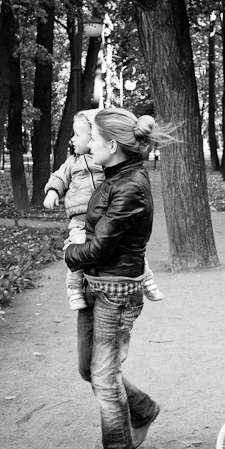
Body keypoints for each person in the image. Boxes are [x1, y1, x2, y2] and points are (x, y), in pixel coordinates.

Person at [64, 108, 175, 449]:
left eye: (93, 139)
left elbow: (99, 249)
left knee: (103, 376)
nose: (89, 144)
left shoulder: (129, 187)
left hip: (116, 291)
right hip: (96, 286)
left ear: (112, 145)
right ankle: (142, 411)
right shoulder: (113, 177)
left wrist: (68, 253)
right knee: (89, 370)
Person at [44, 109, 164, 311]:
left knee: (133, 250)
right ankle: (74, 290)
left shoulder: (107, 166)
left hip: (101, 225)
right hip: (79, 220)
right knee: (79, 248)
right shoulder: (72, 162)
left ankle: (148, 281)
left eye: (80, 135)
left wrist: (69, 254)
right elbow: (59, 177)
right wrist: (53, 192)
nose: (73, 140)